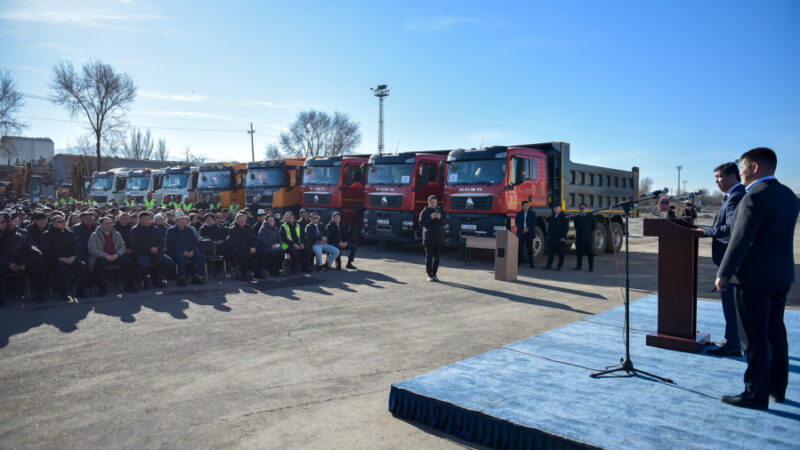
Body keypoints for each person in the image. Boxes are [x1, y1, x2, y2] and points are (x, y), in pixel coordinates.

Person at [716, 147, 799, 410]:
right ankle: (777, 388)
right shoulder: (789, 195)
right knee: (776, 331)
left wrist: (724, 273)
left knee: (753, 337)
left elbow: (740, 240)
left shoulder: (753, 197)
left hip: (753, 279)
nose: (739, 171)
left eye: (742, 166)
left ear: (755, 167)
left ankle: (755, 394)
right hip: (782, 275)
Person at [702, 162, 746, 357]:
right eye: (716, 178)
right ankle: (734, 339)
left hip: (731, 262)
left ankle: (733, 345)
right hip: (733, 260)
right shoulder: (732, 196)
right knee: (732, 303)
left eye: (720, 177)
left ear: (733, 176)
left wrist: (705, 232)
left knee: (730, 303)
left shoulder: (735, 197)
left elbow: (729, 230)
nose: (717, 182)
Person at [0, 210, 47, 303]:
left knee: (38, 258)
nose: (15, 221)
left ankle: (39, 293)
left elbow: (31, 246)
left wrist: (25, 263)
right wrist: (8, 263)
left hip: (20, 260)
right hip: (3, 261)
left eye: (15, 219)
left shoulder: (23, 232)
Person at [42, 215, 89, 300]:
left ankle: (80, 291)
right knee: (60, 267)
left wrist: (73, 257)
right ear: (54, 223)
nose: (63, 223)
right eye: (60, 222)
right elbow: (47, 250)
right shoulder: (47, 234)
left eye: (64, 221)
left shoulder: (70, 233)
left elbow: (76, 247)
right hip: (56, 259)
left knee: (82, 265)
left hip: (70, 258)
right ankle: (64, 293)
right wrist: (60, 258)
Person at [88, 217, 139, 294]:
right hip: (102, 256)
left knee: (128, 262)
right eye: (106, 223)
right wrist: (106, 256)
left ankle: (130, 286)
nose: (109, 225)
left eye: (110, 223)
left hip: (115, 255)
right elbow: (92, 249)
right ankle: (102, 289)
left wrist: (117, 254)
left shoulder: (116, 234)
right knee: (99, 265)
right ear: (101, 224)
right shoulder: (95, 235)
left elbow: (123, 246)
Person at [130, 211, 174, 288]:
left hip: (156, 251)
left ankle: (160, 278)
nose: (147, 221)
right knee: (144, 265)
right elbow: (135, 244)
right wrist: (149, 249)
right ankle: (144, 280)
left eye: (149, 219)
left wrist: (157, 248)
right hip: (142, 252)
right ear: (139, 220)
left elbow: (161, 241)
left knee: (169, 262)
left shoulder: (155, 228)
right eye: (145, 219)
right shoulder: (134, 230)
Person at [166, 210, 207, 286]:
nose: (183, 221)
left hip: (190, 251)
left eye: (184, 219)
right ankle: (182, 277)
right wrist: (183, 251)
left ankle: (197, 276)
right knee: (180, 258)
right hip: (176, 252)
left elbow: (194, 242)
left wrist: (192, 251)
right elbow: (171, 245)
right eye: (181, 220)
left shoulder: (189, 230)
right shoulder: (171, 231)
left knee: (202, 257)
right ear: (176, 221)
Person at [419, 195, 445, 282]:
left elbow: (444, 222)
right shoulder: (425, 211)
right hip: (428, 238)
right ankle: (429, 275)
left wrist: (440, 218)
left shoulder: (439, 210)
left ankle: (434, 274)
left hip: (438, 237)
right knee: (429, 256)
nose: (434, 204)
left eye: (435, 202)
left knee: (437, 257)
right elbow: (422, 223)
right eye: (432, 202)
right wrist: (431, 218)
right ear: (428, 202)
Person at [227, 212, 258, 281]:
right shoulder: (233, 229)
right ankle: (244, 275)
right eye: (240, 219)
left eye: (244, 219)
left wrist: (254, 247)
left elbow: (254, 238)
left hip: (248, 248)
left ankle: (257, 273)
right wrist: (249, 248)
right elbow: (238, 243)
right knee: (242, 254)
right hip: (236, 249)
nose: (242, 221)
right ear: (236, 220)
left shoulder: (248, 227)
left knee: (259, 252)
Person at [573, 203, 597, 272]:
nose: (582, 209)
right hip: (580, 238)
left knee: (590, 254)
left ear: (586, 209)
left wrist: (588, 231)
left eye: (583, 208)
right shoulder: (577, 217)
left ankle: (591, 267)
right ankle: (578, 266)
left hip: (588, 238)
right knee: (579, 253)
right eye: (580, 208)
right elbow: (576, 227)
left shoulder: (591, 216)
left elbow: (593, 226)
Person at [544, 205, 567, 270]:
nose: (555, 209)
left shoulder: (563, 217)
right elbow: (550, 227)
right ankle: (548, 265)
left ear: (560, 209)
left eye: (557, 208)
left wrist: (563, 237)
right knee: (551, 253)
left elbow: (565, 228)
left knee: (561, 253)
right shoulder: (552, 217)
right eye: (554, 208)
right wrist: (548, 235)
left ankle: (559, 266)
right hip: (552, 238)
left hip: (560, 238)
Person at [515, 201, 537, 269]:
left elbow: (534, 222)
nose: (526, 206)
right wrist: (522, 229)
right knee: (520, 248)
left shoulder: (532, 214)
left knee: (530, 249)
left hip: (529, 233)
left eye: (527, 205)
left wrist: (528, 228)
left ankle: (531, 264)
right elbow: (517, 222)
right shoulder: (519, 214)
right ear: (522, 206)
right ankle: (518, 263)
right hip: (521, 232)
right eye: (525, 205)